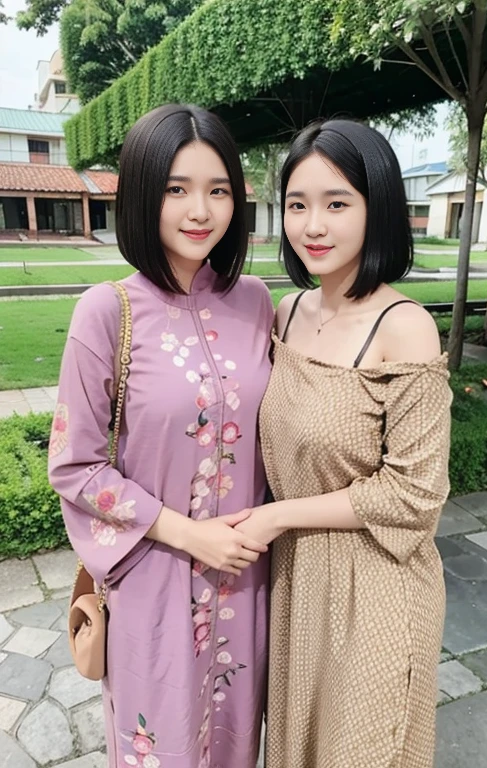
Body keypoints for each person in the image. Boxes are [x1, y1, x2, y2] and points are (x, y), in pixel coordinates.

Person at [48, 104, 274, 768]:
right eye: (177, 188)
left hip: (243, 582)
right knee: (164, 746)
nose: (199, 208)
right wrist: (187, 533)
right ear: (145, 193)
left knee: (235, 739)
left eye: (218, 189)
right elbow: (75, 465)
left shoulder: (255, 301)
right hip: (155, 580)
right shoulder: (106, 312)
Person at [234, 119, 452, 768]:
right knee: (299, 744)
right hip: (298, 582)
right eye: (297, 205)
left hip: (377, 585)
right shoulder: (286, 313)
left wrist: (277, 515)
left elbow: (416, 496)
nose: (313, 226)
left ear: (376, 207)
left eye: (337, 204)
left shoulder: (404, 327)